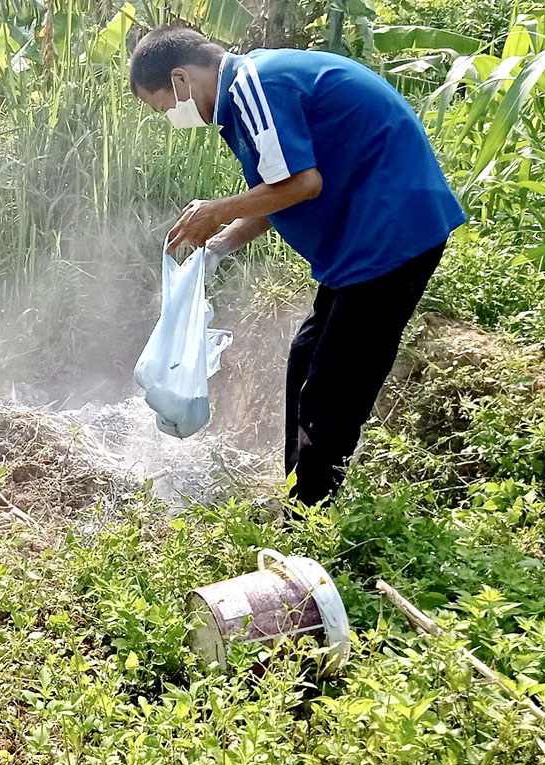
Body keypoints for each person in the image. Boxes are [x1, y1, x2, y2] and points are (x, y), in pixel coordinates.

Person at [129, 26, 466, 507]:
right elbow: (278, 193)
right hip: (367, 238)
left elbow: (303, 184)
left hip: (391, 231)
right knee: (306, 360)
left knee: (332, 388)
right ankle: (300, 496)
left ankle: (310, 521)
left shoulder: (253, 87)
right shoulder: (248, 89)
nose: (172, 117)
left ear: (181, 79)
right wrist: (219, 246)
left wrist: (217, 210)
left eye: (165, 107)